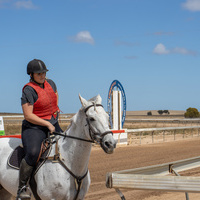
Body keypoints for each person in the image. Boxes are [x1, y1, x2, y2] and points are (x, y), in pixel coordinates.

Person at [16, 59, 63, 199]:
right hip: (34, 127)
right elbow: (28, 115)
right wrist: (47, 124)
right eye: (39, 73)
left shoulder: (52, 83)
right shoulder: (28, 90)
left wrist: (55, 112)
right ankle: (22, 188)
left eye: (44, 72)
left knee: (67, 145)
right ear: (31, 74)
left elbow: (56, 96)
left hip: (52, 123)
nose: (42, 75)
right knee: (33, 152)